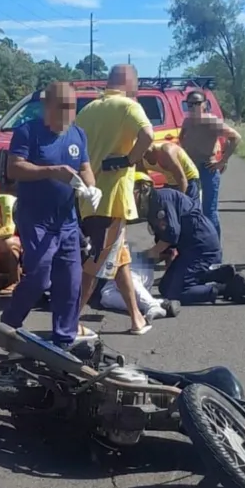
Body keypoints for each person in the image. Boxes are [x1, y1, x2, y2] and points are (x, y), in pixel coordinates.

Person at [1, 81, 100, 350]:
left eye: (73, 107)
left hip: (67, 220)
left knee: (70, 281)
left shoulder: (78, 134)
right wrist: (52, 171)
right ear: (47, 106)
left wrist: (91, 188)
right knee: (39, 277)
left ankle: (64, 340)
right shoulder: (27, 132)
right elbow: (14, 169)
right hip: (36, 218)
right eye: (63, 106)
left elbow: (85, 167)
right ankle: (9, 323)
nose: (69, 113)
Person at [74, 63, 155, 335]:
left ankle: (136, 318)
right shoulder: (129, 106)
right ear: (129, 82)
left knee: (120, 259)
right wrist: (129, 160)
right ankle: (69, 322)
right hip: (112, 199)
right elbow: (148, 135)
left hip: (89, 198)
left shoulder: (87, 110)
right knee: (94, 263)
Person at [144, 188, 245, 306]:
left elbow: (171, 234)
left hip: (201, 248)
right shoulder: (155, 203)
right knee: (165, 287)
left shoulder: (161, 200)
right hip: (192, 248)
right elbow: (167, 247)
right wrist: (144, 259)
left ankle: (227, 288)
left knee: (174, 292)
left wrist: (148, 254)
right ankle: (222, 274)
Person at [180, 91, 242, 242]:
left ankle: (214, 248)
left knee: (209, 210)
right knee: (191, 208)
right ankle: (197, 244)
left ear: (204, 105)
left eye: (197, 103)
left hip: (208, 167)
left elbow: (235, 137)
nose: (193, 107)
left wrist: (223, 161)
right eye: (189, 104)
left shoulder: (211, 121)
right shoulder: (187, 121)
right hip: (191, 169)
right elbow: (182, 137)